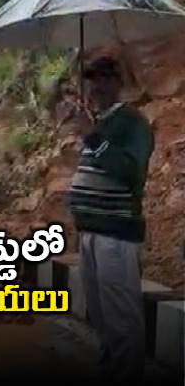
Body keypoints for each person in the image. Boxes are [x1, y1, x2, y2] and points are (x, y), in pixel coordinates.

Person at [67, 56, 154, 385]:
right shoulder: (99, 122)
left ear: (119, 82)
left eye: (104, 77)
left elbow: (130, 172)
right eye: (90, 77)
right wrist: (90, 131)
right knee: (101, 318)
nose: (95, 84)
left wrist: (92, 137)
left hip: (115, 234)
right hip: (90, 232)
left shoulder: (132, 123)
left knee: (121, 320)